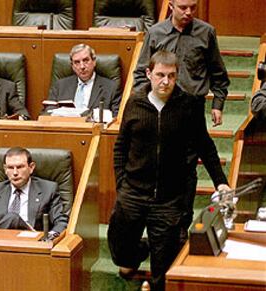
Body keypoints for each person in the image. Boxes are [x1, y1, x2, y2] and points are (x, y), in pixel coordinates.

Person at [109, 51, 230, 291]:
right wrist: (121, 184)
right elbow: (121, 146)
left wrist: (220, 182)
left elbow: (205, 146)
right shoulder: (135, 102)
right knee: (120, 250)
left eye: (171, 76)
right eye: (160, 75)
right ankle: (138, 252)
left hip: (169, 197)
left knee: (163, 264)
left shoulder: (188, 106)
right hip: (133, 191)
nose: (165, 81)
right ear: (149, 74)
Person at [133, 0, 230, 241]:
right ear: (171, 6)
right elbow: (139, 74)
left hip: (192, 109)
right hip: (161, 110)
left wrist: (217, 104)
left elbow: (219, 75)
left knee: (187, 168)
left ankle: (179, 230)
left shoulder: (206, 32)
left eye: (193, 8)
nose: (188, 12)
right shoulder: (155, 33)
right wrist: (147, 104)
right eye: (183, 7)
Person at [0, 147, 68, 239]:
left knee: (13, 218)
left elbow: (61, 222)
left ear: (31, 167)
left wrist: (49, 237)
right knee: (12, 218)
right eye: (10, 168)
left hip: (33, 244)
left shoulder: (48, 189)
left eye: (20, 167)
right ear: (5, 169)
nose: (15, 173)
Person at [41, 43, 121, 117]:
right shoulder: (60, 86)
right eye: (77, 62)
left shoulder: (111, 87)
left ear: (94, 62)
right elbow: (47, 112)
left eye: (86, 60)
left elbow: (117, 118)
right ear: (72, 66)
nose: (82, 66)